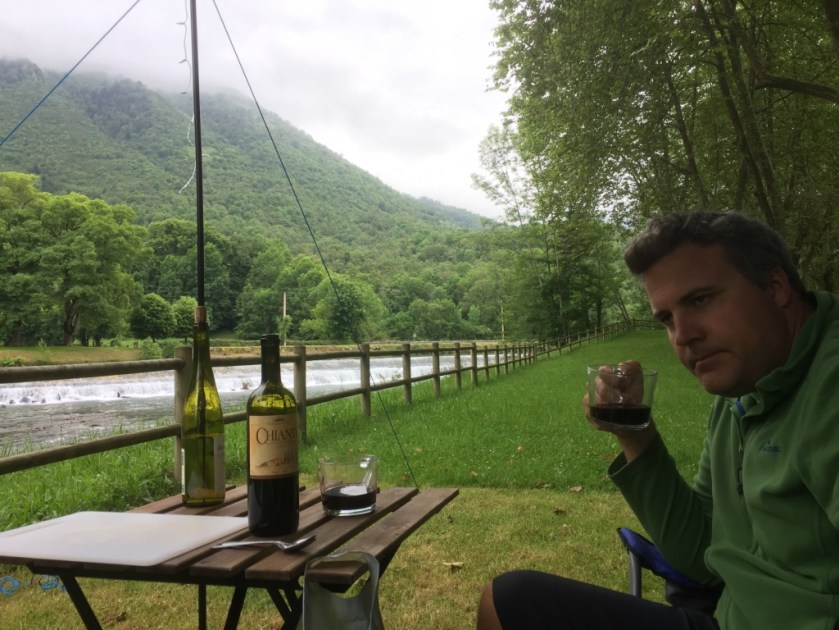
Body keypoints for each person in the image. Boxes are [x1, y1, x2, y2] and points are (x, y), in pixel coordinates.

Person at [476, 211, 839, 630]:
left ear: (775, 287)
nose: (682, 335)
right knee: (508, 601)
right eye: (666, 319)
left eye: (700, 300)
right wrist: (635, 433)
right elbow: (700, 553)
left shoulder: (827, 386)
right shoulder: (743, 391)